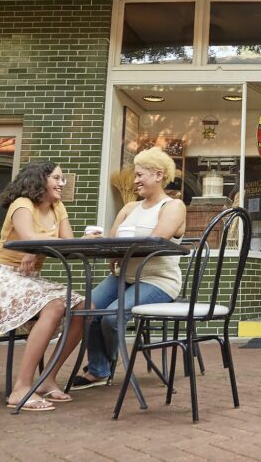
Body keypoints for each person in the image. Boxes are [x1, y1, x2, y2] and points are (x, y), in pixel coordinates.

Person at [0, 161, 86, 412]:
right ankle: (20, 389)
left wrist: (40, 247)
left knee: (85, 307)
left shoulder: (58, 207)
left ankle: (47, 377)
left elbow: (68, 243)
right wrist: (32, 246)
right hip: (1, 278)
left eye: (63, 179)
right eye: (57, 178)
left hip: (28, 280)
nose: (62, 183)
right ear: (40, 180)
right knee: (56, 305)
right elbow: (28, 236)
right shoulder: (22, 204)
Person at [70, 146, 187, 389]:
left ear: (158, 175)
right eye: (135, 175)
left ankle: (106, 363)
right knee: (86, 309)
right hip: (123, 275)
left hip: (158, 280)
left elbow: (155, 242)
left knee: (111, 317)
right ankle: (99, 370)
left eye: (140, 175)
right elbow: (112, 244)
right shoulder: (129, 208)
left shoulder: (173, 206)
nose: (135, 181)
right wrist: (98, 242)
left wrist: (118, 250)